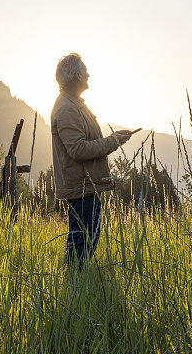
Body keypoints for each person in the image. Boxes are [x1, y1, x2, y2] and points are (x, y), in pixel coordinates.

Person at [51, 53, 134, 268]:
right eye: (85, 70)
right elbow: (77, 149)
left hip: (87, 185)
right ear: (77, 75)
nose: (89, 74)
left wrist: (114, 139)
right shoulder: (67, 108)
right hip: (81, 187)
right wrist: (113, 141)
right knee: (81, 244)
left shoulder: (74, 104)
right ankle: (73, 289)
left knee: (86, 241)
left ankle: (76, 288)